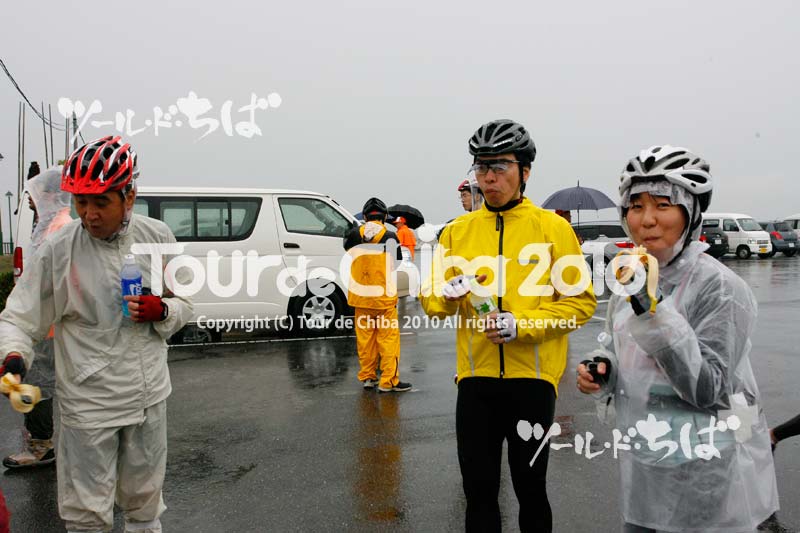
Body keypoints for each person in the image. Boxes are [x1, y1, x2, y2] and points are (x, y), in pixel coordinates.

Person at [577, 145, 779, 532]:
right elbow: (623, 352)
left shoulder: (720, 288)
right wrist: (604, 369)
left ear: (692, 214)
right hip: (647, 464)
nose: (647, 220)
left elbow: (710, 388)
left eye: (663, 205)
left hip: (707, 472)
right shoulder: (634, 280)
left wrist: (650, 309)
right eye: (636, 206)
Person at [0, 135, 193, 533]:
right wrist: (13, 357)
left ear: (129, 196)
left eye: (101, 202)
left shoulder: (157, 237)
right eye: (81, 202)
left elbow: (186, 303)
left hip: (148, 396)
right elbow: (19, 317)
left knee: (145, 507)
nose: (89, 214)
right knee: (86, 516)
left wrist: (163, 310)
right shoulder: (59, 250)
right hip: (89, 405)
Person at [420, 119, 597, 532]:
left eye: (500, 166)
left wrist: (523, 324)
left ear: (525, 172)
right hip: (475, 382)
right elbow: (431, 302)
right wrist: (445, 296)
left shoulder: (553, 228)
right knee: (478, 493)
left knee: (530, 490)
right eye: (482, 167)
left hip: (532, 383)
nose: (489, 177)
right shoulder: (456, 232)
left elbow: (580, 303)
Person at [2, 169, 73, 470]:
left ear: (50, 194)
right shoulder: (48, 224)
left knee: (40, 384)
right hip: (40, 321)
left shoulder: (61, 227)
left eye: (34, 193)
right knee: (38, 382)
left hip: (47, 324)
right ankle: (41, 442)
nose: (30, 199)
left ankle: (41, 447)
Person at [344, 197, 411, 393]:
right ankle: (388, 382)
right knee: (388, 341)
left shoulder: (353, 234)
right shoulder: (390, 236)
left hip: (360, 298)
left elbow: (347, 251)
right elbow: (397, 262)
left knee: (366, 342)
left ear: (365, 217)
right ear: (384, 217)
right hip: (383, 300)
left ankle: (368, 377)